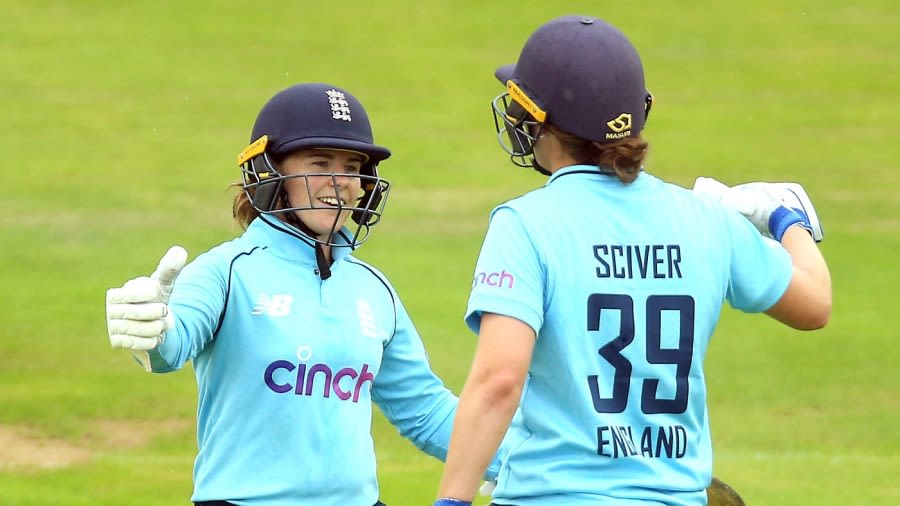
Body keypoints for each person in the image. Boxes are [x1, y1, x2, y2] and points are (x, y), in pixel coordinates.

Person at [433, 15, 831, 506]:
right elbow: (814, 304)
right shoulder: (707, 218)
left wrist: (452, 500)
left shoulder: (525, 223)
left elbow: (499, 381)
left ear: (540, 120)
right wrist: (785, 219)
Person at [105, 82, 500, 506]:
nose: (340, 182)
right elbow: (172, 346)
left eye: (352, 168)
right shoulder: (227, 269)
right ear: (270, 171)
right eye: (319, 162)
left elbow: (424, 410)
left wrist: (515, 460)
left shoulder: (374, 288)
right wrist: (155, 330)